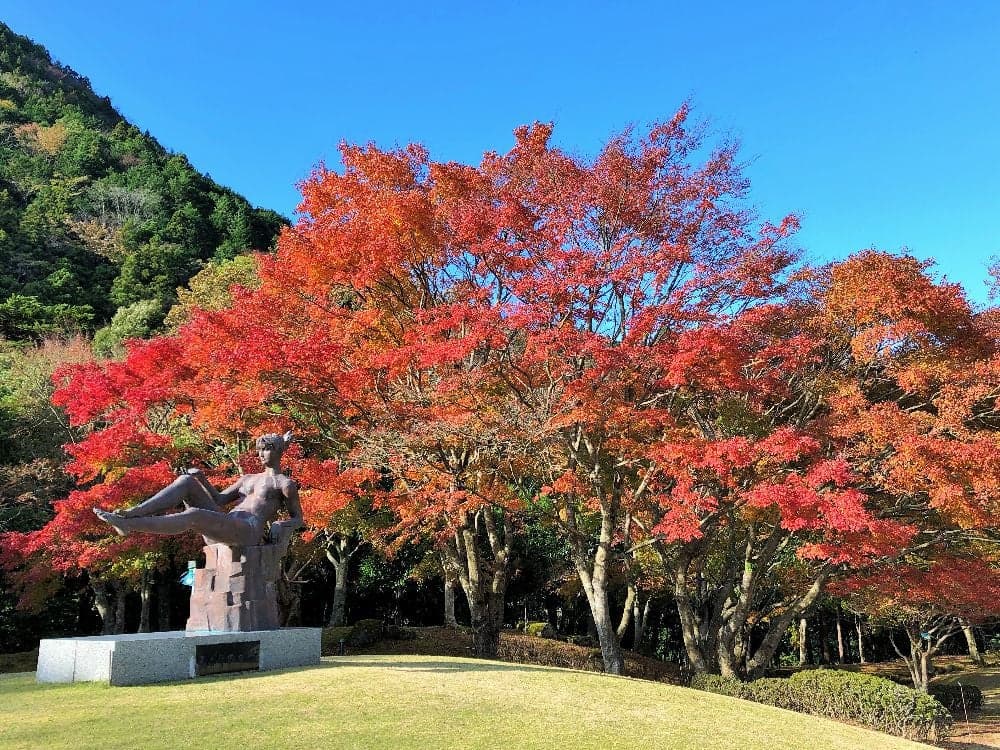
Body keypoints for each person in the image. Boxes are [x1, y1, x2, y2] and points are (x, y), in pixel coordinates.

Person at [93, 432, 303, 548]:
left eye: (266, 449)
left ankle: (130, 525)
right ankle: (134, 512)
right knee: (186, 481)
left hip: (248, 531)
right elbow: (220, 500)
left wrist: (280, 524)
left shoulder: (284, 484)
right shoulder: (248, 478)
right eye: (259, 450)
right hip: (226, 523)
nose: (261, 454)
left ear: (278, 452)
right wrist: (201, 478)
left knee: (194, 514)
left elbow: (298, 518)